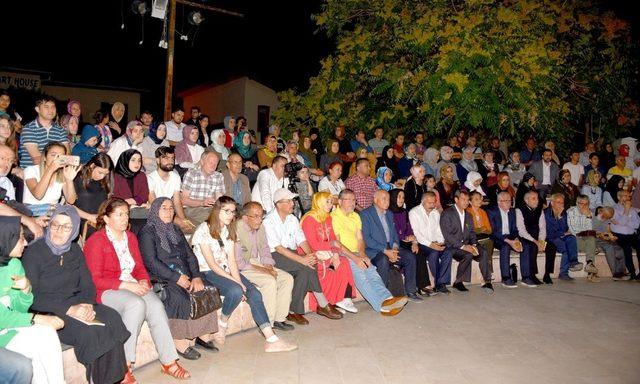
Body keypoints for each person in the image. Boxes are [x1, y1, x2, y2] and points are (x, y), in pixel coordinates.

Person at [84, 198, 190, 381]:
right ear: (107, 219)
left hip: (132, 285)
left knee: (156, 306)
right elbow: (94, 279)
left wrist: (143, 281)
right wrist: (126, 285)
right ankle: (124, 366)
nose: (125, 218)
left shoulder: (131, 237)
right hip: (106, 290)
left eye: (126, 214)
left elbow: (139, 267)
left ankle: (169, 361)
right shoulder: (96, 240)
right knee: (136, 305)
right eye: (119, 215)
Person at [22, 205, 130, 384]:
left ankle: (116, 377)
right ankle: (102, 379)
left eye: (66, 227)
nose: (59, 231)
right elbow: (33, 297)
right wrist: (70, 309)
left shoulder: (74, 250)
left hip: (79, 304)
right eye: (55, 224)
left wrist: (87, 304)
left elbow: (87, 284)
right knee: (89, 333)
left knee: (112, 317)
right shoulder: (34, 253)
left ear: (74, 231)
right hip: (49, 310)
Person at [191, 196, 298, 352]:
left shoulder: (229, 229)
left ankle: (271, 339)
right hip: (207, 272)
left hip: (226, 269)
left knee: (254, 294)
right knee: (236, 290)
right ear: (217, 210)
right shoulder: (203, 230)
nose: (230, 215)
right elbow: (212, 265)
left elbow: (232, 261)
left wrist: (238, 279)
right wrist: (237, 282)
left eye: (233, 212)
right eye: (226, 211)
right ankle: (223, 323)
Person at [137, 197, 219, 360]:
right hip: (162, 278)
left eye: (171, 208)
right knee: (180, 297)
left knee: (207, 289)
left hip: (184, 273)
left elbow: (189, 254)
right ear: (155, 211)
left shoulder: (175, 229)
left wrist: (196, 276)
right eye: (164, 208)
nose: (169, 211)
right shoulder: (147, 232)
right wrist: (176, 278)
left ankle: (202, 334)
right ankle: (179, 340)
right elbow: (151, 262)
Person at [0, 216, 65, 383]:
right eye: (20, 237)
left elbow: (19, 309)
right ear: (6, 237)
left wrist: (25, 290)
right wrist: (37, 318)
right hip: (3, 332)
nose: (26, 243)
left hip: (10, 329)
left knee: (47, 334)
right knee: (33, 353)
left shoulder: (13, 264)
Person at [263, 188, 340, 324]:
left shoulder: (292, 219)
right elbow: (279, 249)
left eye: (292, 200)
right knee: (307, 266)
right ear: (279, 204)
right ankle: (323, 304)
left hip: (290, 253)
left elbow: (302, 240)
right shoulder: (269, 221)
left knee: (308, 267)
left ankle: (293, 311)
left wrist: (311, 255)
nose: (293, 203)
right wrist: (302, 259)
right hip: (274, 255)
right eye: (289, 201)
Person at [332, 189, 409, 315]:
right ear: (340, 201)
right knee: (361, 275)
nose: (352, 203)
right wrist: (356, 259)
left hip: (357, 253)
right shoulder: (335, 217)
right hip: (343, 254)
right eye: (348, 200)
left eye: (354, 200)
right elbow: (338, 244)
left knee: (372, 271)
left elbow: (360, 239)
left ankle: (388, 299)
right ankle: (381, 306)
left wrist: (362, 254)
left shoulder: (355, 216)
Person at [235, 202, 295, 330]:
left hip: (258, 262)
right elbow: (239, 263)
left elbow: (264, 248)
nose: (259, 220)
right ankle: (267, 325)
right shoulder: (236, 229)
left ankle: (279, 319)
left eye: (261, 216)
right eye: (255, 216)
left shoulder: (260, 226)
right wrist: (264, 270)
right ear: (245, 217)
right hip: (243, 266)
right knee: (269, 281)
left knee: (287, 278)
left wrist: (268, 264)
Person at [301, 191, 360, 312]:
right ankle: (324, 304)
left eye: (330, 201)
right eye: (327, 202)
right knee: (326, 266)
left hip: (326, 251)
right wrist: (330, 248)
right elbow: (312, 244)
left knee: (343, 262)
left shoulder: (327, 217)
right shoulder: (309, 219)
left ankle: (341, 299)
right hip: (311, 253)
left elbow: (334, 239)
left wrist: (335, 253)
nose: (331, 205)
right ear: (319, 202)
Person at [361, 190, 421, 300]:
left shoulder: (389, 213)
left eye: (388, 199)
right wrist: (385, 251)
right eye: (384, 198)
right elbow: (367, 239)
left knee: (410, 257)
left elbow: (394, 235)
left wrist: (395, 248)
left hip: (390, 248)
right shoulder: (366, 214)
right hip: (375, 250)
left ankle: (411, 291)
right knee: (383, 260)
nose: (387, 201)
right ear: (375, 200)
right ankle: (382, 296)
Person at [439, 190, 492, 292]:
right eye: (463, 199)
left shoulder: (468, 215)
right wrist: (463, 246)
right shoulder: (447, 213)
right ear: (456, 199)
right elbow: (448, 235)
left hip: (467, 244)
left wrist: (474, 244)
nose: (466, 202)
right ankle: (458, 282)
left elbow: (472, 232)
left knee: (483, 252)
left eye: (468, 200)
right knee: (467, 254)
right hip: (452, 246)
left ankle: (487, 281)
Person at [389, 189, 433, 296]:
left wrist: (414, 241)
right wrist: (405, 237)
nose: (401, 199)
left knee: (419, 252)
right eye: (399, 196)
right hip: (395, 242)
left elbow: (409, 228)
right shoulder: (388, 212)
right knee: (413, 255)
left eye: (403, 197)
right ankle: (420, 286)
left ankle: (422, 286)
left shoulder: (404, 212)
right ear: (393, 197)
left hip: (407, 241)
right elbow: (392, 232)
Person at [409, 191, 453, 294]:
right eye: (430, 203)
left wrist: (440, 242)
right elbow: (416, 233)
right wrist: (431, 245)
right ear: (423, 201)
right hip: (421, 243)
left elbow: (438, 230)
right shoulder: (414, 212)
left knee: (448, 252)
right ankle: (438, 284)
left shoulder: (435, 213)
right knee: (434, 253)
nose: (432, 205)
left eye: (434, 202)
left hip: (435, 242)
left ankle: (442, 282)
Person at [23, 141, 80, 216]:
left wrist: (69, 180)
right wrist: (50, 169)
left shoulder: (62, 174)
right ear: (44, 158)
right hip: (32, 213)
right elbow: (38, 195)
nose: (56, 159)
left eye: (61, 156)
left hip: (52, 213)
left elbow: (71, 200)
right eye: (53, 155)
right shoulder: (31, 170)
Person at [19, 95, 69, 167]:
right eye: (46, 107)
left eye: (53, 107)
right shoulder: (29, 129)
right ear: (37, 109)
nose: (51, 110)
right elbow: (37, 159)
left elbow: (67, 154)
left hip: (56, 170)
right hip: (33, 172)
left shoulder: (60, 130)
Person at [180, 150, 225, 226]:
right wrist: (202, 202)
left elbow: (219, 199)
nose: (213, 166)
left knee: (228, 215)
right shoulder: (191, 174)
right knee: (214, 218)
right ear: (202, 162)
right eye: (210, 162)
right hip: (191, 209)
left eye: (215, 163)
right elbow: (183, 200)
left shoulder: (218, 176)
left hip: (210, 209)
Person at [73, 153, 113, 237]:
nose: (102, 177)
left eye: (105, 174)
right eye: (100, 172)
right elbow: (68, 205)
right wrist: (89, 217)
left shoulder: (104, 181)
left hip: (99, 220)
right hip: (81, 219)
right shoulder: (76, 178)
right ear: (92, 165)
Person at [545, 193, 582, 281]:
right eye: (558, 202)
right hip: (551, 238)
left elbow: (565, 228)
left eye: (562, 203)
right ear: (552, 203)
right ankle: (563, 273)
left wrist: (561, 217)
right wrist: (560, 218)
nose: (561, 205)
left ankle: (573, 262)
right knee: (565, 248)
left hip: (560, 235)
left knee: (572, 238)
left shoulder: (563, 212)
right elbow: (550, 231)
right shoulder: (546, 213)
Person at [488, 192, 521, 288]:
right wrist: (509, 241)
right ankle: (506, 278)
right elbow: (493, 231)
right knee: (505, 247)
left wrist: (516, 239)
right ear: (499, 202)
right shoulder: (492, 211)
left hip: (510, 237)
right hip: (497, 238)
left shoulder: (512, 211)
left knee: (526, 245)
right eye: (507, 201)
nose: (509, 203)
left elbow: (514, 229)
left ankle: (528, 275)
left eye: (510, 200)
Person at [516, 191, 548, 287]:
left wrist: (541, 240)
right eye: (533, 198)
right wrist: (535, 241)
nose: (537, 200)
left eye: (537, 198)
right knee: (528, 246)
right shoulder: (519, 210)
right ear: (526, 200)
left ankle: (533, 275)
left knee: (549, 246)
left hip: (536, 236)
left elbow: (542, 227)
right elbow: (521, 230)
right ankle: (527, 276)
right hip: (522, 236)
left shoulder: (540, 210)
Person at [567, 195, 599, 281]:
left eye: (586, 204)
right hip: (574, 239)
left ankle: (589, 263)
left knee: (591, 238)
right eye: (581, 204)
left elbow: (589, 229)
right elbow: (573, 230)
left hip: (584, 239)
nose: (584, 206)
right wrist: (583, 230)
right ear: (577, 203)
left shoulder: (589, 213)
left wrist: (588, 217)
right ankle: (591, 275)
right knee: (592, 246)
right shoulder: (571, 211)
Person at [609, 190, 640, 280]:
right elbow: (621, 222)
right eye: (625, 196)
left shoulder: (633, 209)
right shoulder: (613, 209)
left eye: (628, 196)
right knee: (627, 248)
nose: (628, 198)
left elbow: (637, 225)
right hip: (619, 235)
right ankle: (632, 272)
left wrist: (623, 222)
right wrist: (626, 211)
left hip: (631, 234)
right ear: (619, 197)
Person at [592, 206, 626, 279]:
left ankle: (622, 271)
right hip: (595, 239)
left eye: (608, 217)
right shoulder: (593, 218)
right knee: (609, 248)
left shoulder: (607, 219)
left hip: (604, 239)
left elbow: (608, 231)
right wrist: (600, 235)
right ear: (601, 212)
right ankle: (615, 272)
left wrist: (611, 237)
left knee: (619, 248)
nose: (607, 219)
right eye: (606, 216)